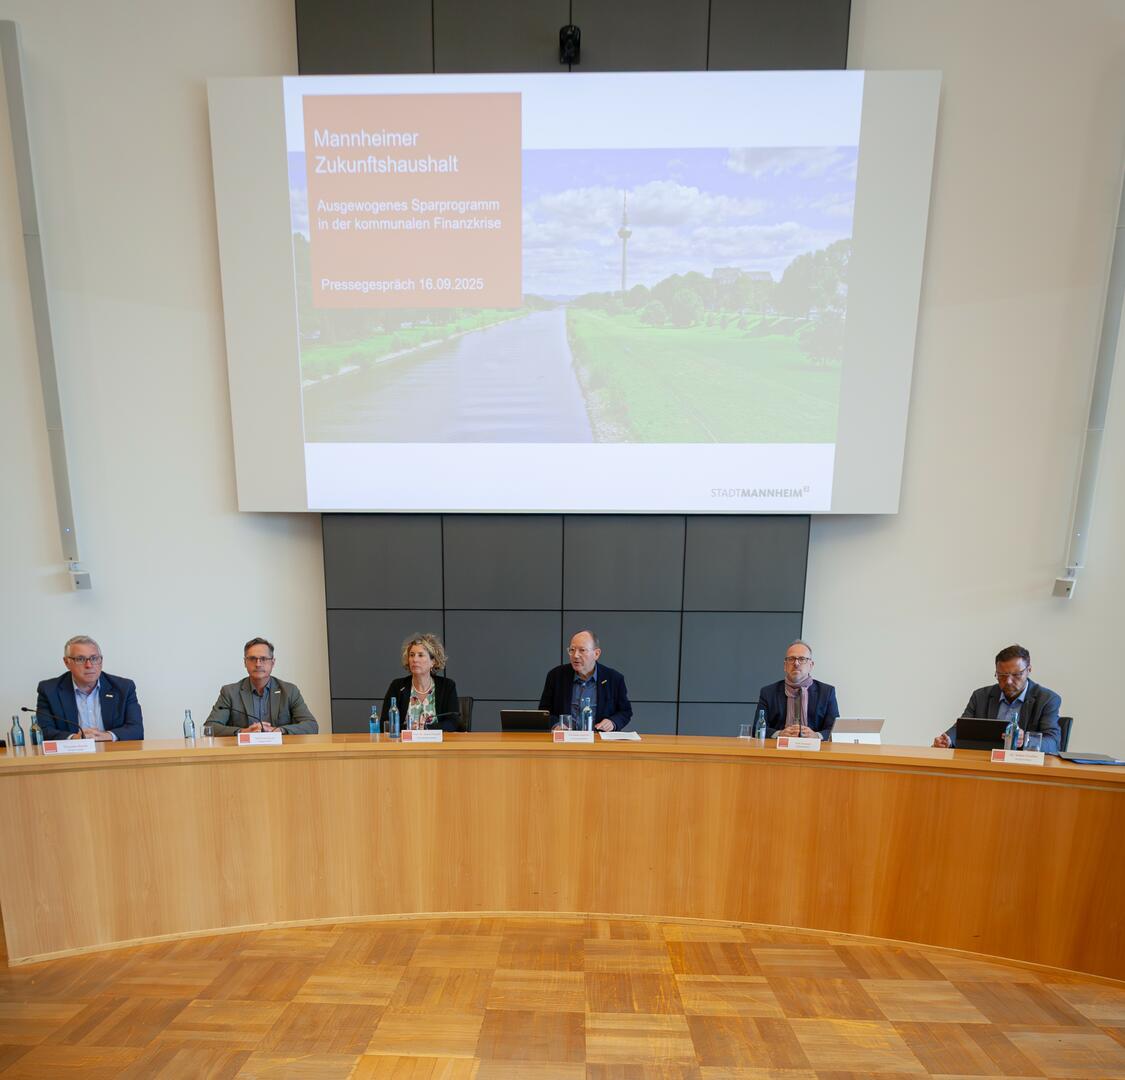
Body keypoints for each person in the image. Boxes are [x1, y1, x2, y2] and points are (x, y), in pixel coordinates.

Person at [933, 644, 1061, 753]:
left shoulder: (1047, 699)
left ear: (1029, 670)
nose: (1009, 681)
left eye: (1016, 675)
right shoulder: (981, 696)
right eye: (1002, 675)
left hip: (1025, 769)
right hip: (985, 763)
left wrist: (1026, 740)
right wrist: (948, 740)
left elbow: (1053, 742)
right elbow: (962, 728)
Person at [35, 635, 145, 741]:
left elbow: (136, 730)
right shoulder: (49, 690)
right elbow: (44, 732)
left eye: (94, 658)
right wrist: (74, 738)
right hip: (71, 757)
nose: (89, 665)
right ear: (67, 662)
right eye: (80, 659)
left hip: (113, 755)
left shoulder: (124, 688)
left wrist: (106, 736)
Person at [204, 637, 319, 735]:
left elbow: (311, 725)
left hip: (281, 755)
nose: (258, 664)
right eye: (252, 659)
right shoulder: (230, 692)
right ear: (245, 662)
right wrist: (243, 732)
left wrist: (279, 730)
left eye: (263, 659)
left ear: (272, 663)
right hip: (243, 755)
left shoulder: (289, 691)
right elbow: (210, 727)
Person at [538, 630, 632, 732]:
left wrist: (612, 722)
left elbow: (625, 711)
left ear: (596, 654)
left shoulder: (613, 679)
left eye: (582, 650)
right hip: (565, 741)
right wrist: (555, 725)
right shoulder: (556, 676)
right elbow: (544, 712)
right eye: (572, 650)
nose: (575, 655)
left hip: (599, 741)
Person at [757, 640, 839, 741]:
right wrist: (779, 734)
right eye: (791, 659)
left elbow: (835, 730)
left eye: (802, 659)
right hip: (777, 751)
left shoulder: (826, 692)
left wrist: (816, 735)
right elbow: (758, 729)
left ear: (811, 665)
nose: (796, 663)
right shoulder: (768, 692)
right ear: (785, 665)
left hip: (815, 752)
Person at [381, 633, 461, 731]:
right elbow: (385, 724)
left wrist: (426, 728)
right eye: (412, 655)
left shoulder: (447, 686)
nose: (415, 659)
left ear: (433, 661)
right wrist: (409, 727)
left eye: (420, 655)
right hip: (404, 745)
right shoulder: (397, 686)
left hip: (438, 745)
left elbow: (453, 723)